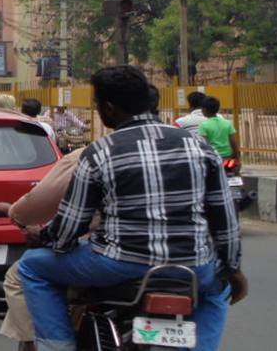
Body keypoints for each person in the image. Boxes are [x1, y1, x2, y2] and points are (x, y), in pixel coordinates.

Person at [17, 66, 245, 351]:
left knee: (32, 267)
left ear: (109, 108)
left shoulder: (100, 152)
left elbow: (69, 228)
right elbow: (224, 218)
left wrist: (45, 237)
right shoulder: (200, 148)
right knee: (217, 292)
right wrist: (233, 269)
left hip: (117, 263)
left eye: (98, 104)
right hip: (192, 264)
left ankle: (57, 346)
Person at [0, 147, 86, 350]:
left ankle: (41, 344)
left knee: (25, 269)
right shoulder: (171, 147)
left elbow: (67, 219)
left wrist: (14, 212)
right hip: (166, 262)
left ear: (107, 113)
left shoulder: (90, 155)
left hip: (113, 257)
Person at [198, 96, 240, 162]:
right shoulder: (227, 123)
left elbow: (205, 144)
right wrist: (236, 157)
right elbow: (233, 142)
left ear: (204, 110)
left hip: (213, 158)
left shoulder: (203, 125)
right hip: (228, 157)